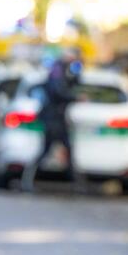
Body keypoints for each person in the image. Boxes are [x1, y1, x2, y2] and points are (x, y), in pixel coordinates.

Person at [21, 52, 82, 192]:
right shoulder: (57, 71)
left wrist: (78, 69)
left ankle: (75, 182)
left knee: (64, 150)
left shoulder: (64, 71)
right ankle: (28, 180)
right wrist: (75, 98)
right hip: (53, 120)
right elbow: (58, 92)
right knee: (46, 150)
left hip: (58, 119)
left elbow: (74, 83)